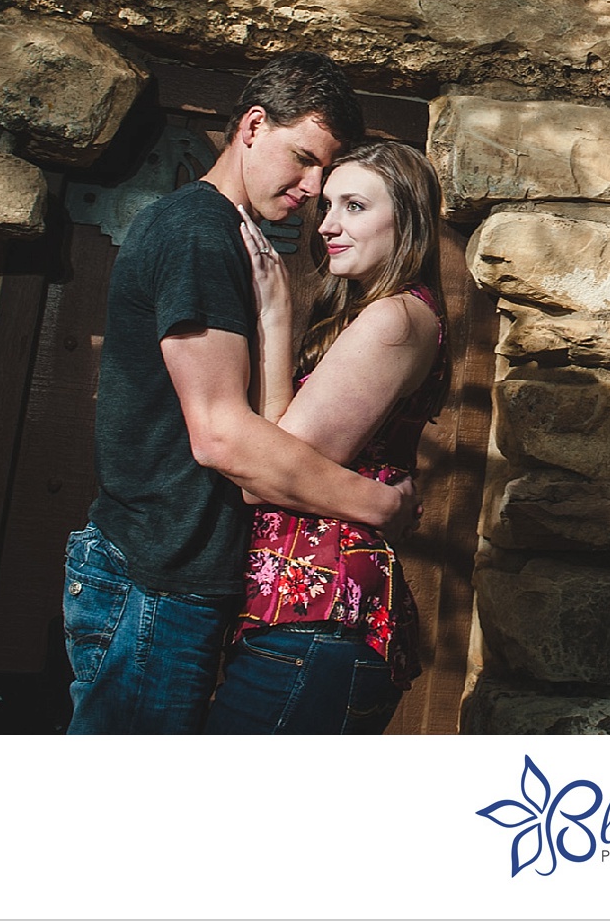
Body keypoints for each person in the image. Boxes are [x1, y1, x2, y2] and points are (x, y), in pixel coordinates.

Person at [63, 53, 416, 735]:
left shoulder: (232, 236)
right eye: (304, 158)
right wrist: (374, 502)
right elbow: (222, 434)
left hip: (173, 576)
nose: (312, 187)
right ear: (253, 126)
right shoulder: (198, 229)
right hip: (154, 579)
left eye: (327, 171)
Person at [204, 138, 448, 734]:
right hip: (297, 614)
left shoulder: (394, 318)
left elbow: (274, 469)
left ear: (408, 219)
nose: (329, 226)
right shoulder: (374, 312)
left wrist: (274, 314)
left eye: (356, 207)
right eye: (329, 207)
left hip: (318, 613)